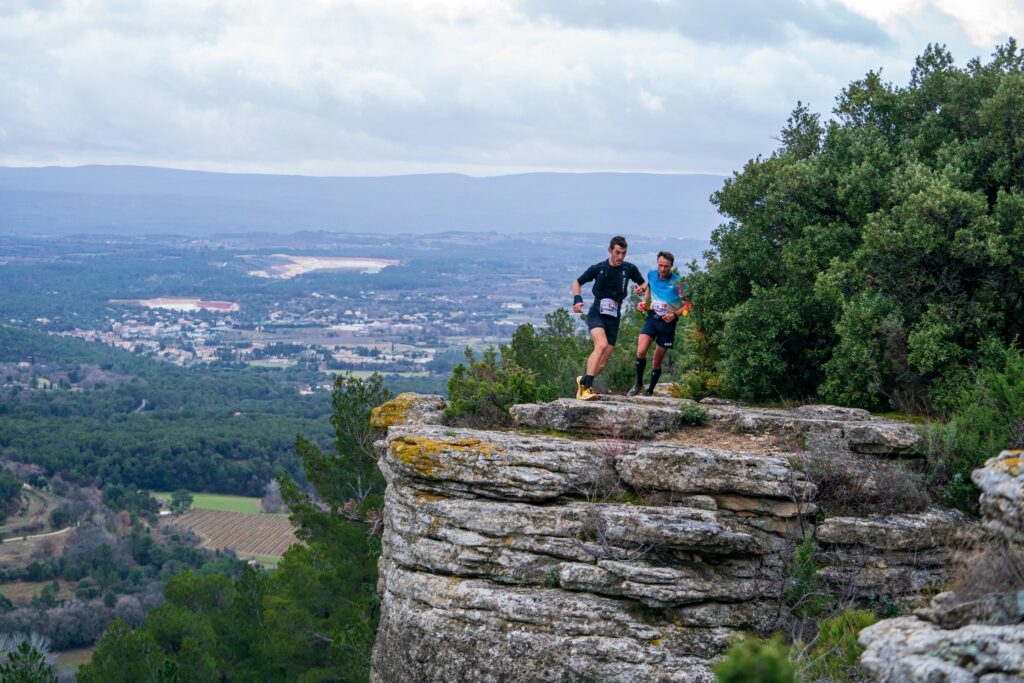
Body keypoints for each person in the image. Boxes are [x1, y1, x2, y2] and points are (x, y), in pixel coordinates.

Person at [572, 236, 646, 401]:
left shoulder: (629, 269)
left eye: (624, 253)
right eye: (617, 252)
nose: (620, 257)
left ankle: (583, 381)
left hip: (614, 317)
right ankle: (586, 388)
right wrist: (577, 299)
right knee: (601, 344)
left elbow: (644, 284)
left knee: (603, 363)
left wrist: (642, 291)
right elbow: (576, 282)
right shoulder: (599, 268)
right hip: (597, 312)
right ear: (610, 250)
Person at [629, 251, 687, 396]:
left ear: (671, 266)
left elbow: (689, 306)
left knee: (656, 359)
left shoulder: (678, 283)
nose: (662, 269)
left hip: (668, 324)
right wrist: (643, 301)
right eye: (660, 265)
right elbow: (649, 288)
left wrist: (675, 315)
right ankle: (638, 384)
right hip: (652, 318)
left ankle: (650, 390)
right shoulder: (652, 274)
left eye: (666, 266)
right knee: (641, 351)